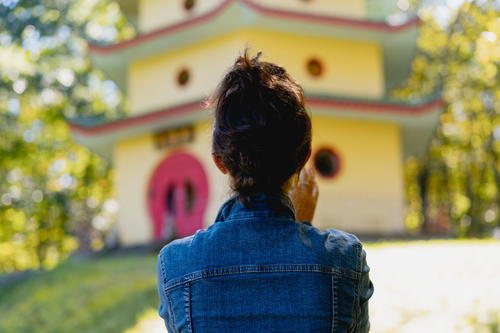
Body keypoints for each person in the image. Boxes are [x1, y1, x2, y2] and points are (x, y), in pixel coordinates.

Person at [156, 51, 374, 332]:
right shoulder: (344, 259)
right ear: (304, 157)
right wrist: (301, 226)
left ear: (219, 160)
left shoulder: (177, 266)